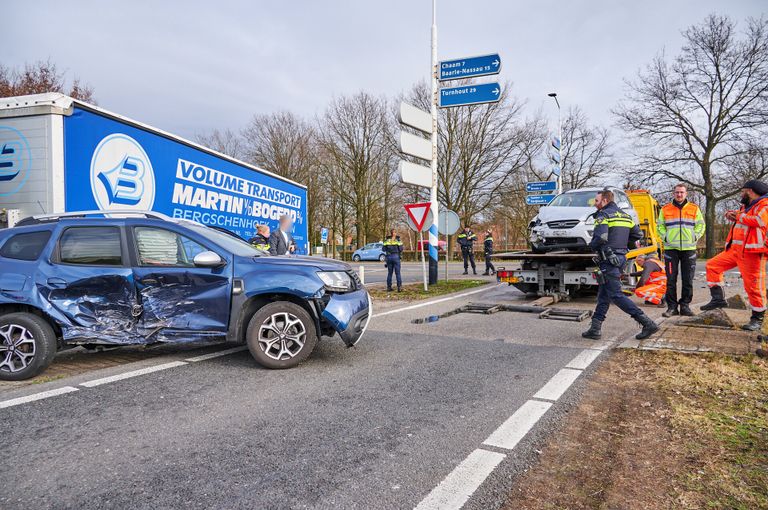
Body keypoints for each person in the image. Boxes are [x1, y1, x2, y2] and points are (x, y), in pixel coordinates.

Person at [582, 189, 659, 340]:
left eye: (596, 201)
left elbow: (601, 237)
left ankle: (647, 323)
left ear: (604, 201)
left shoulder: (603, 215)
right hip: (620, 258)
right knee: (604, 294)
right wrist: (623, 248)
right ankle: (595, 328)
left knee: (616, 295)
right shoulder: (626, 216)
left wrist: (591, 246)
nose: (595, 204)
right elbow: (638, 235)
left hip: (608, 259)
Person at [701, 180, 768, 331]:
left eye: (743, 191)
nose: (741, 194)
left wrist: (738, 216)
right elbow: (744, 223)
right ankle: (718, 300)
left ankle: (757, 319)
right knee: (712, 265)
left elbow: (759, 221)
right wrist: (734, 216)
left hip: (753, 253)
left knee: (753, 287)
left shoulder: (765, 205)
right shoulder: (746, 206)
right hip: (735, 250)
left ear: (750, 191)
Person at [658, 183, 705, 317]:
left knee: (688, 279)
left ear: (686, 194)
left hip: (688, 249)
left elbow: (701, 226)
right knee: (671, 280)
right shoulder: (665, 209)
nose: (679, 194)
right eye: (677, 192)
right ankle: (672, 307)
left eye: (682, 192)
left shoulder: (694, 208)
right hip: (671, 249)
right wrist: (665, 237)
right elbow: (659, 227)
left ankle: (685, 306)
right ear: (674, 193)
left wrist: (695, 236)